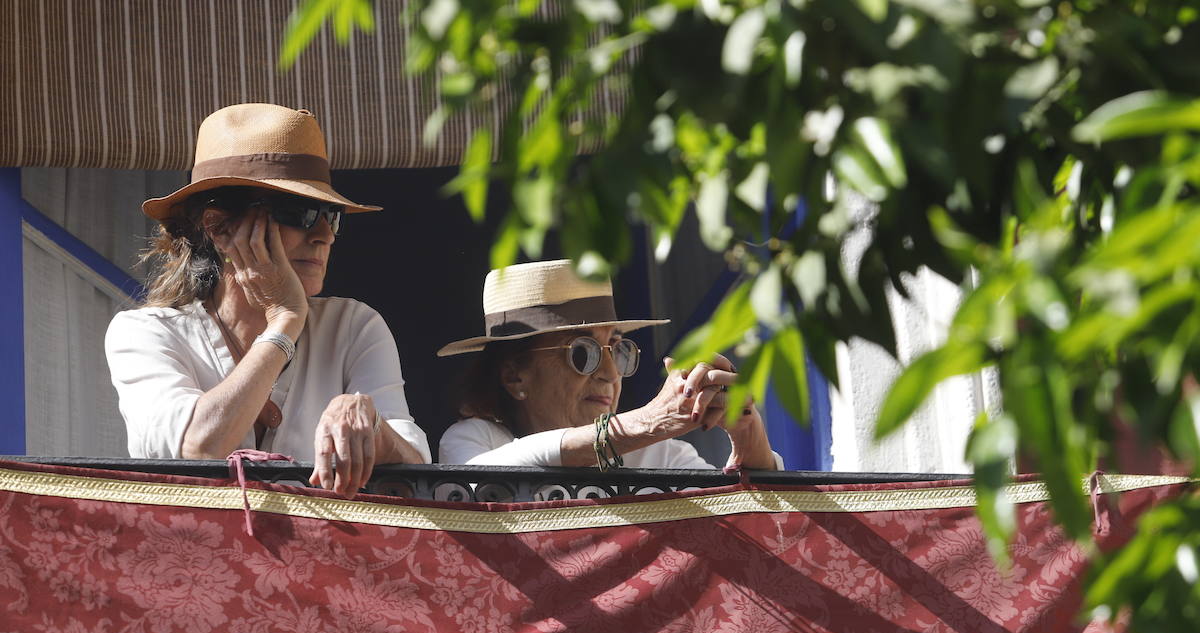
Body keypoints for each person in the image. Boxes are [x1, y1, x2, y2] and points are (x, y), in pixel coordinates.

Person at [105, 103, 430, 497]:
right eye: (301, 211)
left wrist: (370, 423)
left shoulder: (354, 326)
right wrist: (284, 320)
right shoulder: (143, 333)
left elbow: (418, 472)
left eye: (332, 216)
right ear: (218, 228)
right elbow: (199, 448)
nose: (324, 235)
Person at [436, 260, 779, 470]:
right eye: (582, 353)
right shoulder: (475, 441)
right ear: (514, 376)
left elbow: (759, 531)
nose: (610, 373)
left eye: (617, 350)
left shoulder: (658, 456)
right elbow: (480, 481)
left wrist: (749, 439)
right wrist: (646, 422)